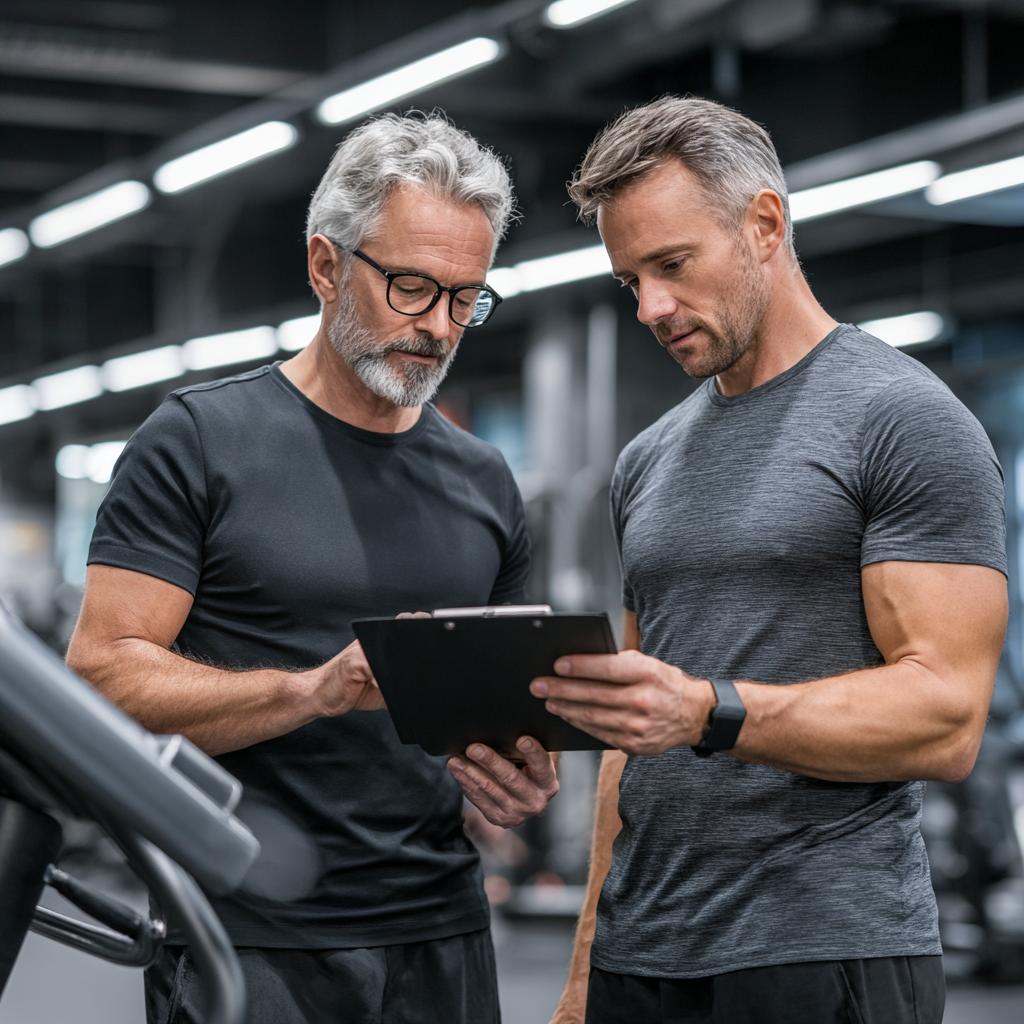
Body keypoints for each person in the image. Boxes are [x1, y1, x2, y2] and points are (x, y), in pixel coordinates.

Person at [66, 112, 559, 1024]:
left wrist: (511, 775)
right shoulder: (199, 441)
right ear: (327, 266)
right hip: (246, 936)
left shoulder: (485, 480)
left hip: (440, 938)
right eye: (412, 288)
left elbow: (492, 712)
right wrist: (313, 691)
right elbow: (100, 680)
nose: (439, 327)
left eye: (466, 297)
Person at [539, 96, 1008, 1024]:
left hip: (824, 951)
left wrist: (709, 709)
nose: (651, 307)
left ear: (763, 224)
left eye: (672, 265)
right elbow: (633, 737)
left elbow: (947, 717)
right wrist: (588, 960)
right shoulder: (646, 460)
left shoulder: (904, 421)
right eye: (631, 280)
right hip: (645, 954)